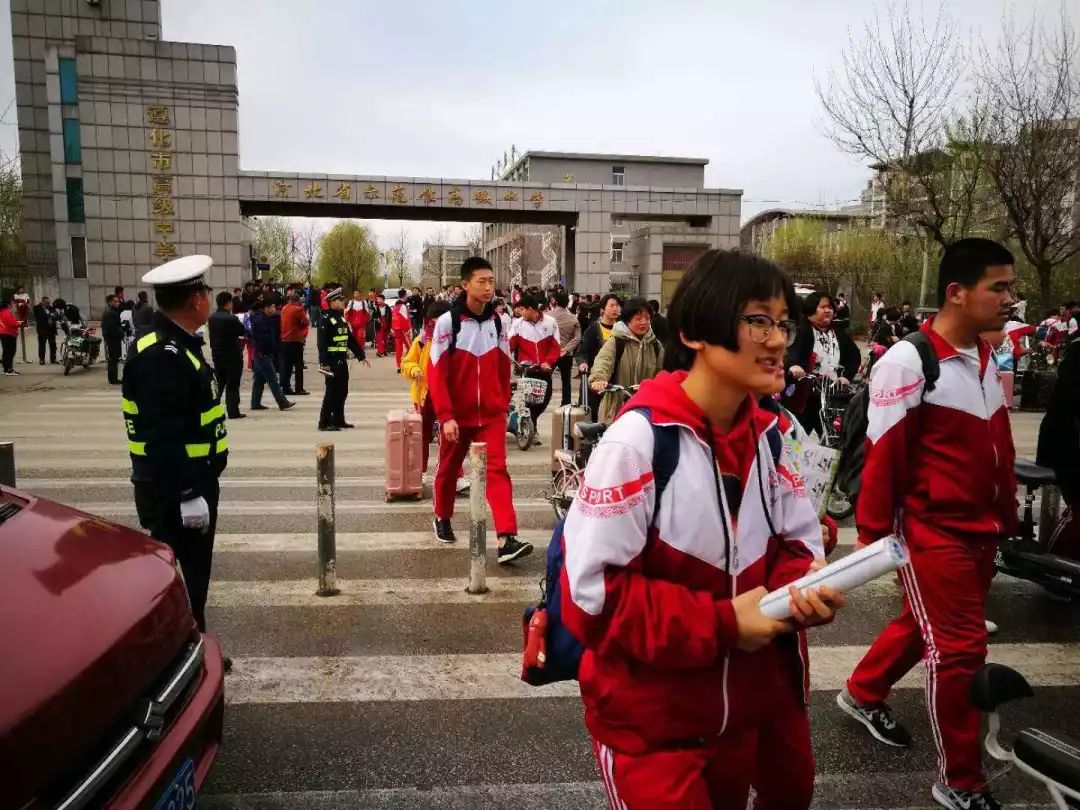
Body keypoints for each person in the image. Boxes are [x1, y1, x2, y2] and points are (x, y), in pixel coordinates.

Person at [562, 248, 843, 809]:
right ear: (693, 333)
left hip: (741, 711)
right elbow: (591, 598)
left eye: (783, 323)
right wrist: (720, 625)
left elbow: (799, 541)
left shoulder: (770, 438)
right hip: (650, 726)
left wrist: (799, 589)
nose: (776, 339)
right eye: (757, 320)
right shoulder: (636, 444)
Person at [837, 238, 1018, 810]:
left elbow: (999, 446)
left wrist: (1006, 513)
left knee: (928, 627)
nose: (1010, 299)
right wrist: (875, 538)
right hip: (929, 530)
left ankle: (862, 691)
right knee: (960, 650)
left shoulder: (986, 355)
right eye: (1000, 287)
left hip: (980, 530)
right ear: (957, 292)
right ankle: (960, 780)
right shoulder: (909, 360)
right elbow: (884, 451)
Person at [122, 254, 233, 671]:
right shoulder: (160, 354)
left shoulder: (179, 344)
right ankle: (177, 660)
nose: (207, 297)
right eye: (204, 290)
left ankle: (193, 647)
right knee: (176, 577)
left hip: (193, 481)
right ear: (195, 300)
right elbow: (161, 434)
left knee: (194, 576)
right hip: (174, 489)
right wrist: (187, 493)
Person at [427, 256, 532, 563]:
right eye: (481, 282)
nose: (488, 288)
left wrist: (501, 403)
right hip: (456, 418)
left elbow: (502, 365)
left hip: (489, 415)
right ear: (465, 284)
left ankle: (506, 538)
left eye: (490, 282)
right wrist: (445, 416)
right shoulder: (448, 323)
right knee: (449, 469)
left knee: (497, 470)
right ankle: (442, 516)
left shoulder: (498, 321)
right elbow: (437, 372)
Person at [785, 291, 861, 437]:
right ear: (811, 309)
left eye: (830, 307)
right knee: (795, 440)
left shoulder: (838, 332)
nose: (828, 310)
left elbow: (854, 356)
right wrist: (794, 365)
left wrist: (846, 376)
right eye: (823, 307)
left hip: (831, 397)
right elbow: (790, 351)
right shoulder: (800, 330)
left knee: (832, 441)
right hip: (804, 396)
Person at [587, 296, 664, 425]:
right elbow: (603, 362)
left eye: (647, 318)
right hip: (616, 408)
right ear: (627, 321)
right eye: (638, 319)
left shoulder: (655, 345)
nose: (644, 322)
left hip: (647, 408)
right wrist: (599, 379)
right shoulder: (616, 342)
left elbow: (664, 371)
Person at [402, 299, 453, 474]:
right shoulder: (422, 340)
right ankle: (419, 473)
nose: (439, 322)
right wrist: (414, 369)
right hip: (425, 396)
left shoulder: (457, 340)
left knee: (450, 437)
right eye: (436, 318)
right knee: (421, 437)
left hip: (448, 395)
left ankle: (451, 474)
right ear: (430, 320)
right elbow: (407, 363)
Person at [508, 294, 561, 442]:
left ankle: (529, 422)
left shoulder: (551, 323)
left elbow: (556, 346)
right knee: (530, 400)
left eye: (522, 310)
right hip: (527, 369)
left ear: (531, 309)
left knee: (545, 398)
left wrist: (548, 362)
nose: (520, 313)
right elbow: (509, 345)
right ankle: (532, 428)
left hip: (544, 369)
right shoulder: (517, 324)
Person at [317, 287, 369, 431]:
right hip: (331, 360)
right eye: (340, 300)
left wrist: (360, 355)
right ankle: (324, 422)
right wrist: (324, 362)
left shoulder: (340, 317)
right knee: (331, 392)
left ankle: (338, 420)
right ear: (332, 302)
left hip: (341, 360)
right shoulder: (326, 319)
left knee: (342, 391)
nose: (342, 302)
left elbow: (349, 339)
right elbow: (322, 343)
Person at [575, 293, 621, 419]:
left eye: (617, 305)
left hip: (616, 379)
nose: (615, 309)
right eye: (611, 306)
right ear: (602, 310)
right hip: (595, 381)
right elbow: (582, 351)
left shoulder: (622, 330)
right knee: (593, 414)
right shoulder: (594, 329)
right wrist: (582, 362)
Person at [248, 298, 293, 412]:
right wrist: (270, 350)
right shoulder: (262, 320)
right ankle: (282, 402)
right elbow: (264, 339)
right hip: (263, 354)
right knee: (273, 379)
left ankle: (255, 403)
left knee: (259, 379)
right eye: (272, 306)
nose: (274, 309)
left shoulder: (260, 317)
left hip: (259, 353)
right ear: (266, 308)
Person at [208, 291, 246, 420]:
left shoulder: (212, 318)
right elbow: (242, 331)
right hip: (232, 356)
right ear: (228, 303)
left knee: (219, 384)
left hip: (217, 355)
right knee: (232, 385)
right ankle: (233, 411)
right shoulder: (232, 318)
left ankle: (212, 409)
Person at [548, 290, 581, 407]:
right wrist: (567, 349)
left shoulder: (548, 317)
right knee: (566, 380)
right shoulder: (573, 318)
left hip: (550, 354)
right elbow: (577, 338)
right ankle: (566, 404)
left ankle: (545, 400)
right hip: (566, 354)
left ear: (554, 301)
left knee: (547, 378)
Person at [279, 292, 310, 396]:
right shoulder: (298, 309)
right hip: (295, 340)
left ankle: (285, 387)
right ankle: (299, 388)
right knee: (298, 365)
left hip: (284, 340)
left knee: (287, 365)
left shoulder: (284, 308)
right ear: (298, 301)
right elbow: (305, 322)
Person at [101, 294, 124, 385]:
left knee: (113, 359)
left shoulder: (111, 311)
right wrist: (121, 333)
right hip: (113, 339)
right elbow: (114, 328)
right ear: (110, 302)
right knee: (114, 359)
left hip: (111, 338)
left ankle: (114, 378)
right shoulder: (111, 313)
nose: (118, 303)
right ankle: (115, 379)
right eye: (116, 301)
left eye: (118, 301)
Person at [391, 289, 413, 372]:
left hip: (396, 329)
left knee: (398, 348)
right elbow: (406, 318)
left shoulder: (395, 306)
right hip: (404, 330)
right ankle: (408, 364)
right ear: (405, 296)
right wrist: (409, 329)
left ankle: (399, 366)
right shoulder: (403, 306)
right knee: (410, 347)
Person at [33, 296, 58, 365]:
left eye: (49, 303)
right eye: (47, 303)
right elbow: (42, 316)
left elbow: (56, 316)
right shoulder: (37, 308)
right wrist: (50, 315)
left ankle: (53, 359)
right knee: (42, 345)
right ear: (43, 302)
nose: (48, 304)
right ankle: (42, 359)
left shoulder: (51, 308)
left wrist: (51, 315)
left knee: (53, 345)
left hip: (51, 330)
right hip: (42, 330)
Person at [0, 299, 19, 375]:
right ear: (8, 305)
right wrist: (18, 323)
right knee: (10, 352)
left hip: (3, 333)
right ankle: (9, 369)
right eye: (13, 304)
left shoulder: (1, 312)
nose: (14, 305)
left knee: (6, 352)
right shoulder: (7, 312)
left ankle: (6, 369)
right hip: (9, 334)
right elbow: (12, 323)